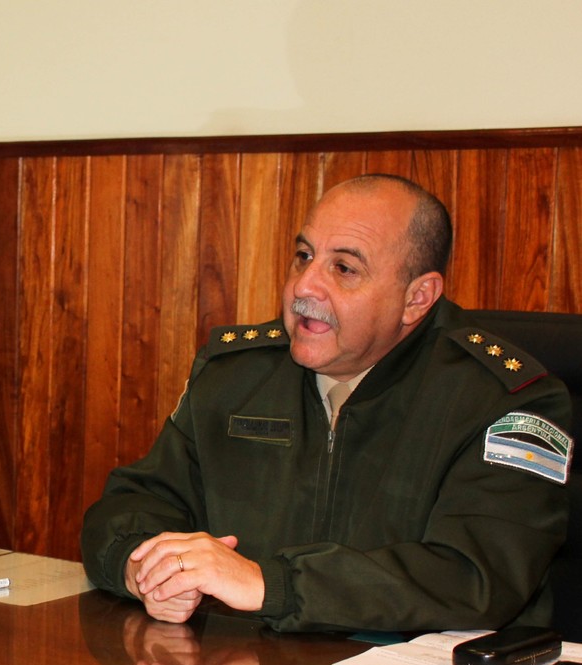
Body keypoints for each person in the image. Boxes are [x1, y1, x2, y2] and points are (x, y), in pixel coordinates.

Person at [82, 174, 572, 633]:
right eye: (303, 256)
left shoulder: (503, 400)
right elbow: (136, 504)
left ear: (417, 298)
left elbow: (476, 577)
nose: (304, 287)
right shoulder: (237, 373)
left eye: (343, 268)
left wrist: (269, 584)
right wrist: (145, 568)